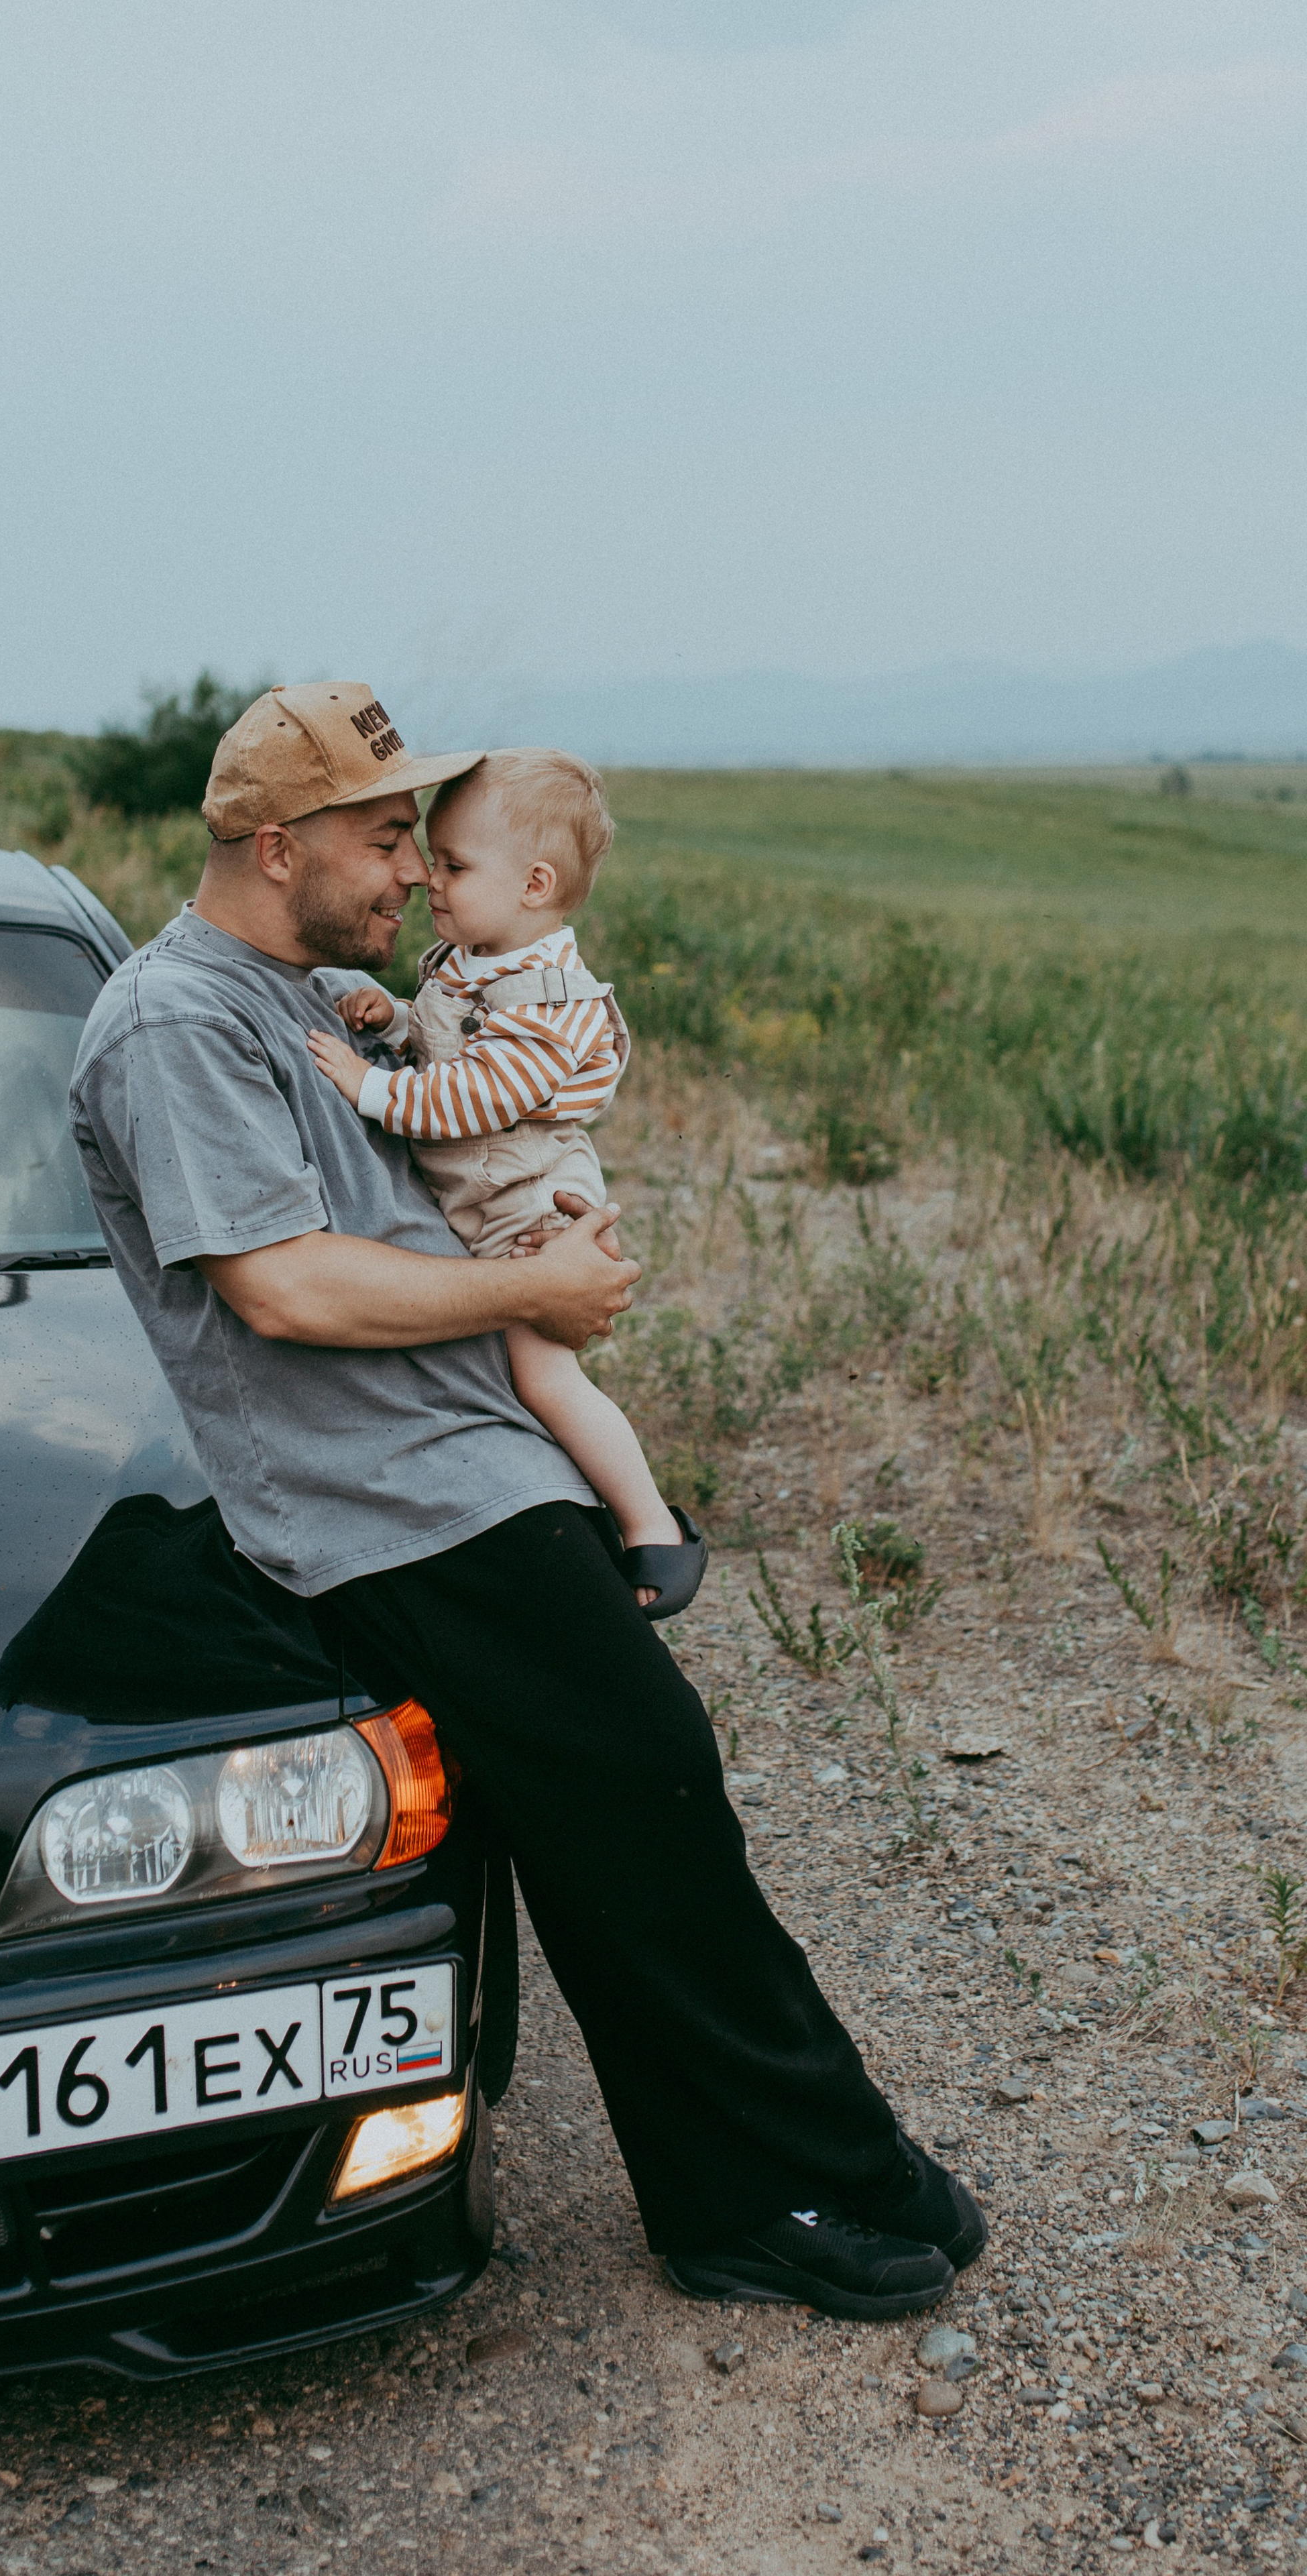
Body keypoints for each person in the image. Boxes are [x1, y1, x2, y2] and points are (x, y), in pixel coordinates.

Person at [68, 681, 986, 2318]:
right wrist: (535, 1292)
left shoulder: (313, 993)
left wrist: (546, 1263)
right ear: (277, 847)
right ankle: (763, 2195)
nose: (413, 871)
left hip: (473, 1461)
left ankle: (829, 2162)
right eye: (382, 838)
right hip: (384, 1499)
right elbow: (283, 1286)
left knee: (629, 1802)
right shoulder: (174, 1023)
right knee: (640, 1785)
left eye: (420, 839)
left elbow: (471, 1144)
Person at [303, 746, 703, 1620]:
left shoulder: (550, 1001)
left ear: (534, 885)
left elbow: (471, 1097)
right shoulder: (478, 958)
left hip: (527, 1205)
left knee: (545, 1377)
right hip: (486, 1198)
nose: (429, 879)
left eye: (454, 865)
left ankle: (651, 1524)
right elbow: (451, 1042)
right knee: (505, 1372)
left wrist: (367, 1084)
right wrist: (395, 1018)